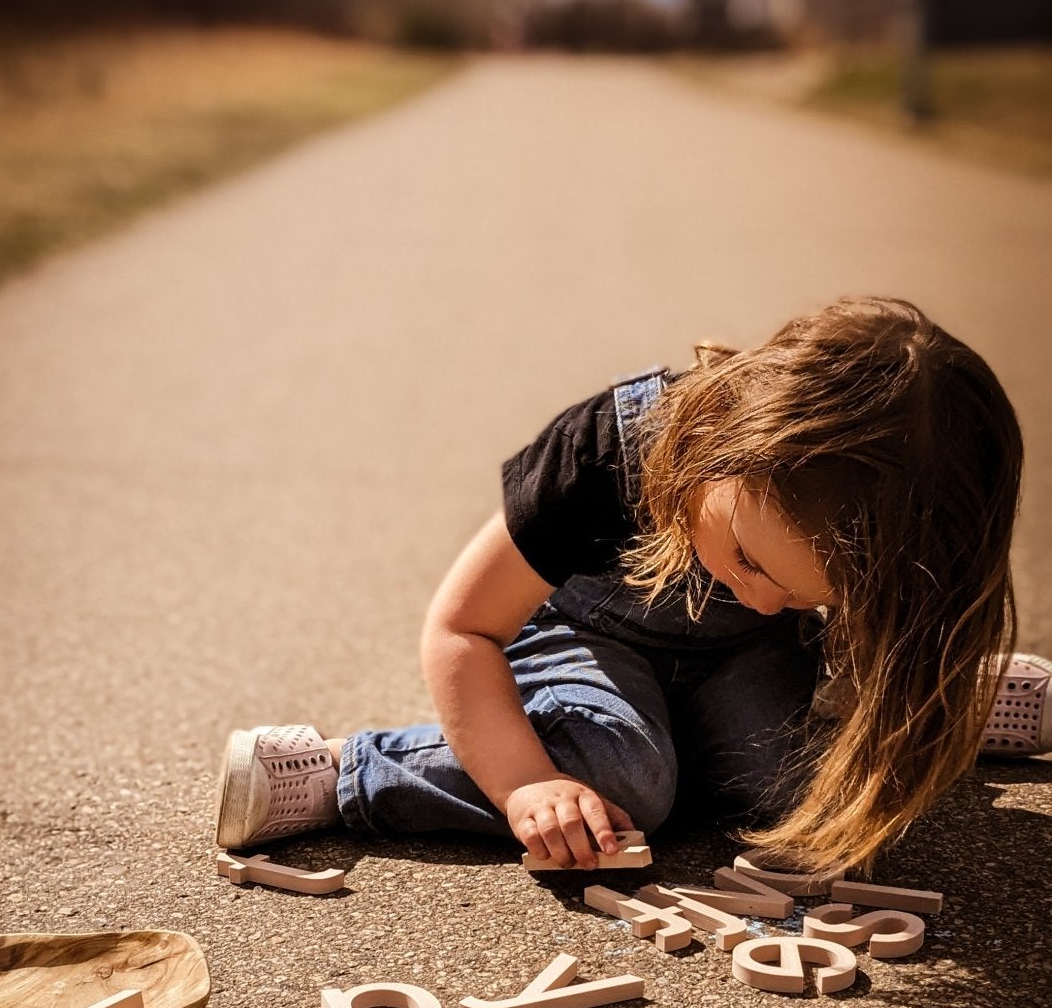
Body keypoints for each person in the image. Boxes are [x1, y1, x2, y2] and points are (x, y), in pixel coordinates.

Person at [215, 296, 1049, 875]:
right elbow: (462, 630)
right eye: (751, 563)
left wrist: (903, 673)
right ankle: (343, 771)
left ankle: (937, 696)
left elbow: (799, 604)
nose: (762, 597)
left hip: (746, 662)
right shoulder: (608, 448)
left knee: (798, 802)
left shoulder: (813, 559)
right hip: (590, 635)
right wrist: (526, 786)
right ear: (720, 454)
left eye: (806, 598)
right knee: (624, 784)